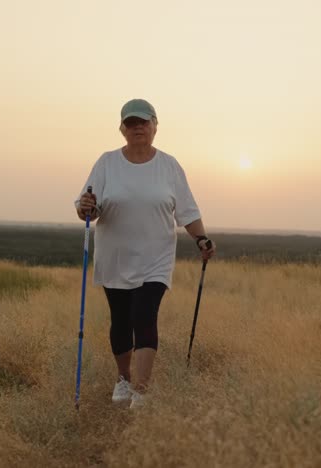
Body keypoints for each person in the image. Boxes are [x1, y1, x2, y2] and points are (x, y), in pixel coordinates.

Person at [75, 98, 216, 409]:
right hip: (115, 258)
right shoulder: (107, 162)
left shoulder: (169, 166)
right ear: (122, 129)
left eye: (143, 122)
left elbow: (188, 211)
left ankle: (141, 390)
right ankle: (123, 378)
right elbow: (88, 207)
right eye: (131, 123)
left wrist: (202, 239)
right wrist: (85, 207)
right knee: (121, 322)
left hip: (156, 259)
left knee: (144, 315)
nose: (137, 127)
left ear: (155, 126)